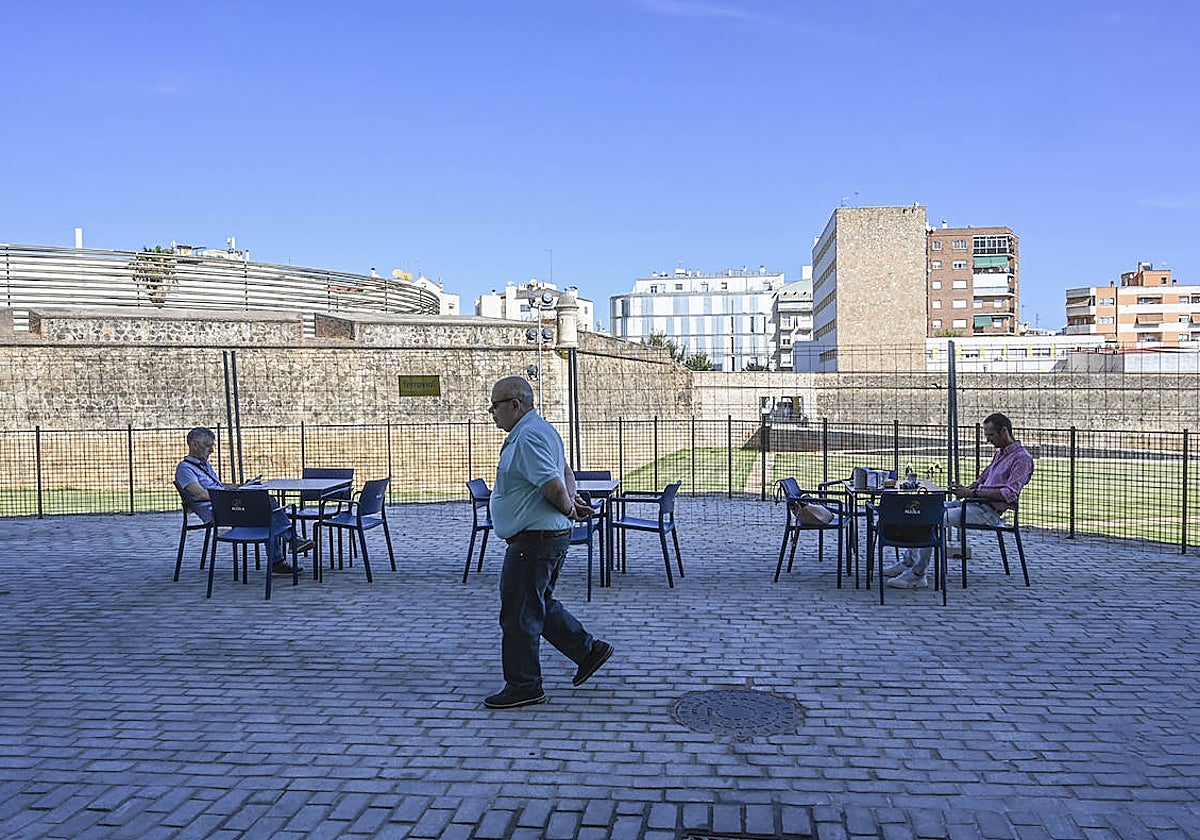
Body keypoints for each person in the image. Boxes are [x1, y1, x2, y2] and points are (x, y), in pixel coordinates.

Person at [483, 376, 613, 710]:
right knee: (539, 603)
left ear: (515, 405)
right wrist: (573, 502)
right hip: (542, 537)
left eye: (495, 405)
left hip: (534, 540)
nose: (491, 412)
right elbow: (566, 472)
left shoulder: (527, 436)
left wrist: (569, 506)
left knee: (519, 614)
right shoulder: (542, 430)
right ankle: (588, 651)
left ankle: (524, 686)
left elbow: (553, 484)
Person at [886, 412, 1033, 589]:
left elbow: (1010, 494)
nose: (988, 440)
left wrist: (972, 493)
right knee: (925, 511)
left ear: (1004, 431)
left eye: (990, 435)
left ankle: (918, 574)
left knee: (932, 518)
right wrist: (967, 488)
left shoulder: (1022, 459)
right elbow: (982, 479)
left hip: (988, 511)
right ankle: (909, 562)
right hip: (974, 503)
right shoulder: (1000, 454)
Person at [174, 426, 312, 574]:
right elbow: (200, 494)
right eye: (208, 446)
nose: (212, 450)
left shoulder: (204, 465)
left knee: (266, 506)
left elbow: (219, 486)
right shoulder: (185, 469)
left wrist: (241, 486)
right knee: (266, 505)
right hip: (219, 512)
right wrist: (233, 495)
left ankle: (281, 557)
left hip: (227, 505)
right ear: (194, 445)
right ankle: (289, 543)